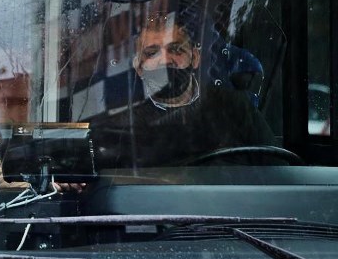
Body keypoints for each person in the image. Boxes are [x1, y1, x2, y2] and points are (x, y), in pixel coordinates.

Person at [90, 13, 276, 169]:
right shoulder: (120, 121)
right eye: (152, 53)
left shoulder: (235, 109)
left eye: (176, 49)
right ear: (138, 67)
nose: (165, 60)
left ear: (195, 58)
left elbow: (277, 170)